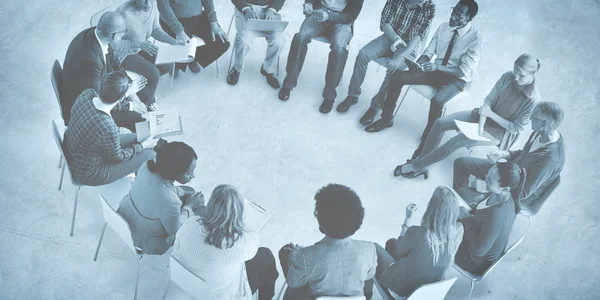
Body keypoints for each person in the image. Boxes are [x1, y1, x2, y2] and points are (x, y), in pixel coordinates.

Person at [394, 54, 540, 180]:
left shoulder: (532, 100)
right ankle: (423, 162)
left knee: (457, 141)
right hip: (482, 116)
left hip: (499, 132)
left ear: (533, 74)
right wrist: (481, 123)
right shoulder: (508, 76)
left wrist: (490, 116)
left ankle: (417, 165)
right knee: (440, 123)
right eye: (515, 72)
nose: (516, 77)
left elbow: (515, 128)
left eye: (521, 75)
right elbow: (488, 100)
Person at [364, 0, 482, 133]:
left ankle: (429, 135)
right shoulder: (443, 27)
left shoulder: (475, 39)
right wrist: (416, 65)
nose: (453, 16)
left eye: (459, 15)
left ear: (469, 18)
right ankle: (386, 119)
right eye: (453, 11)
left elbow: (462, 72)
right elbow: (428, 52)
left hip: (456, 80)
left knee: (438, 100)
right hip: (435, 72)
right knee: (397, 77)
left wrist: (437, 68)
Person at [454, 101, 565, 215]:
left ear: (544, 124)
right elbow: (524, 154)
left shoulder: (550, 160)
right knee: (461, 164)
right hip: (509, 172)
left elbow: (524, 192)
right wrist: (504, 154)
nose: (530, 118)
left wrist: (487, 186)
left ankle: (469, 213)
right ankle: (465, 206)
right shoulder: (540, 132)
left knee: (464, 194)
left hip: (514, 192)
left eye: (534, 117)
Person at [172, 185, 279, 300]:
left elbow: (176, 246)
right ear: (237, 214)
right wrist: (239, 221)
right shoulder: (242, 245)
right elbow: (254, 235)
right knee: (265, 255)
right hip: (217, 296)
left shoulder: (191, 223)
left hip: (181, 283)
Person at [279, 184, 377, 300]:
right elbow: (369, 275)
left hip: (313, 295)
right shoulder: (369, 249)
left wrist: (295, 255)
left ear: (321, 224)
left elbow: (293, 282)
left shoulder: (306, 255)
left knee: (286, 251)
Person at [337, 0, 435, 113]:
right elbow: (385, 23)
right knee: (363, 54)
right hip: (390, 36)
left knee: (395, 69)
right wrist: (395, 39)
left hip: (408, 46)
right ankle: (353, 95)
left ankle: (375, 106)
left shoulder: (429, 7)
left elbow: (418, 36)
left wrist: (399, 58)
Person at [64, 72, 157, 186]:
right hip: (89, 172)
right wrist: (143, 146)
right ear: (122, 98)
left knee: (140, 137)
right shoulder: (108, 127)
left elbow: (107, 103)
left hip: (73, 149)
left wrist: (126, 92)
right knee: (149, 154)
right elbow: (117, 158)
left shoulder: (87, 94)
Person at [61, 12, 149, 132]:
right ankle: (142, 144)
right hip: (83, 108)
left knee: (142, 92)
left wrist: (129, 88)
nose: (125, 34)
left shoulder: (97, 34)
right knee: (138, 120)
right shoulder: (89, 61)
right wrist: (130, 104)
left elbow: (115, 63)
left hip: (93, 85)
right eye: (124, 31)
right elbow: (98, 101)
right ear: (116, 35)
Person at [370, 187, 463, 297]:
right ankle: (390, 271)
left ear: (431, 209)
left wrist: (407, 219)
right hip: (425, 291)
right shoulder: (454, 238)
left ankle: (375, 289)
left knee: (372, 248)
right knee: (391, 243)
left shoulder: (417, 233)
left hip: (404, 287)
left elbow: (399, 251)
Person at [117, 141, 205, 255]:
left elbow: (154, 189)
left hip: (124, 215)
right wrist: (189, 206)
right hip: (146, 239)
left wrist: (179, 192)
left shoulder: (146, 166)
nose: (193, 176)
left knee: (190, 191)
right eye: (189, 172)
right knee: (202, 210)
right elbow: (174, 230)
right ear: (175, 172)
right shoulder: (171, 201)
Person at [278, 0, 365, 114]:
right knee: (300, 37)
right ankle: (288, 83)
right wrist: (309, 4)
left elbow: (351, 16)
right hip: (319, 14)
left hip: (341, 21)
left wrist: (329, 16)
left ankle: (329, 95)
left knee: (339, 48)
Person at [454, 162, 526, 274]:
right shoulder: (506, 196)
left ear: (505, 188)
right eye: (487, 176)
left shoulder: (497, 214)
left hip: (473, 260)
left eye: (489, 180)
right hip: (479, 234)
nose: (485, 179)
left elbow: (479, 250)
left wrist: (467, 219)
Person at [117, 0, 184, 112]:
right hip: (123, 54)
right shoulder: (122, 14)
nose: (148, 4)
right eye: (144, 0)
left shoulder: (152, 5)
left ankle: (144, 91)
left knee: (168, 65)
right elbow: (114, 44)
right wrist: (139, 44)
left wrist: (172, 41)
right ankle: (149, 102)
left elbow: (155, 29)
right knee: (154, 73)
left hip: (142, 47)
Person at [227, 0, 287, 88]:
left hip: (268, 10)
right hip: (246, 8)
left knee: (279, 41)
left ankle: (268, 69)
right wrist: (245, 8)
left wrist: (272, 9)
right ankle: (237, 68)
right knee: (245, 40)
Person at [158, 0, 230, 73]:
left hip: (197, 17)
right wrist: (178, 30)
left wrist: (213, 22)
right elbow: (163, 7)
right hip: (174, 20)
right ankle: (179, 63)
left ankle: (192, 58)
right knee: (185, 47)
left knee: (222, 43)